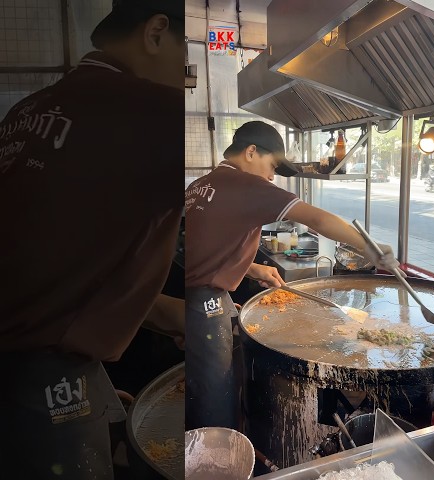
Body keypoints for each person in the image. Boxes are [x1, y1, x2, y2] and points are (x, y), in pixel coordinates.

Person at [0, 1, 184, 478]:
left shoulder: (26, 111)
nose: (187, 80)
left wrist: (94, 387)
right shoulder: (151, 112)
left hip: (40, 365)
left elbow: (52, 257)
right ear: (157, 32)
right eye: (187, 62)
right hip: (41, 374)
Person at [185, 121, 402, 430]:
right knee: (214, 404)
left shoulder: (200, 186)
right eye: (271, 165)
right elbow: (318, 219)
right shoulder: (247, 185)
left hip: (193, 302)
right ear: (250, 152)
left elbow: (207, 247)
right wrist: (371, 246)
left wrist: (254, 267)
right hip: (206, 307)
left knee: (204, 394)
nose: (272, 176)